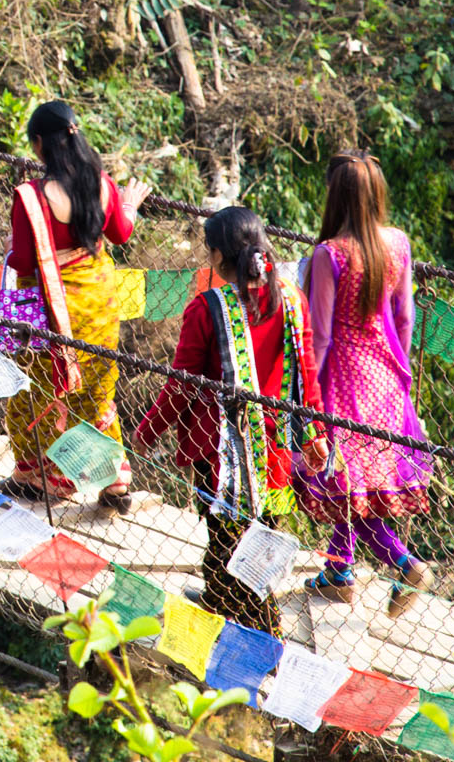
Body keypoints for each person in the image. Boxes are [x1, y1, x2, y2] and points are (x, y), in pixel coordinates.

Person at [134, 207, 326, 633]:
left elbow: (180, 386)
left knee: (226, 545)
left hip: (219, 454)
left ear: (218, 255)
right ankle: (227, 605)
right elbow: (306, 376)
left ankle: (253, 633)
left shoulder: (206, 308)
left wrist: (148, 430)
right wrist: (315, 435)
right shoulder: (292, 300)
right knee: (257, 541)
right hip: (274, 450)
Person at [296, 150, 434, 618]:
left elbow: (321, 332)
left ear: (337, 195)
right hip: (386, 374)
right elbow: (405, 317)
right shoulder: (397, 244)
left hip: (343, 378)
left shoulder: (329, 254)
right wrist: (403, 375)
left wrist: (305, 394)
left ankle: (403, 562)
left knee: (343, 480)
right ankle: (339, 570)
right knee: (361, 486)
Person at [0, 101, 149, 511]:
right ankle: (113, 480)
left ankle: (40, 474)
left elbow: (26, 262)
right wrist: (130, 203)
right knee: (96, 393)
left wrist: (10, 253)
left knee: (36, 390)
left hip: (52, 312)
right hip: (101, 305)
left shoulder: (32, 197)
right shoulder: (100, 182)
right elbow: (120, 231)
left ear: (39, 144)